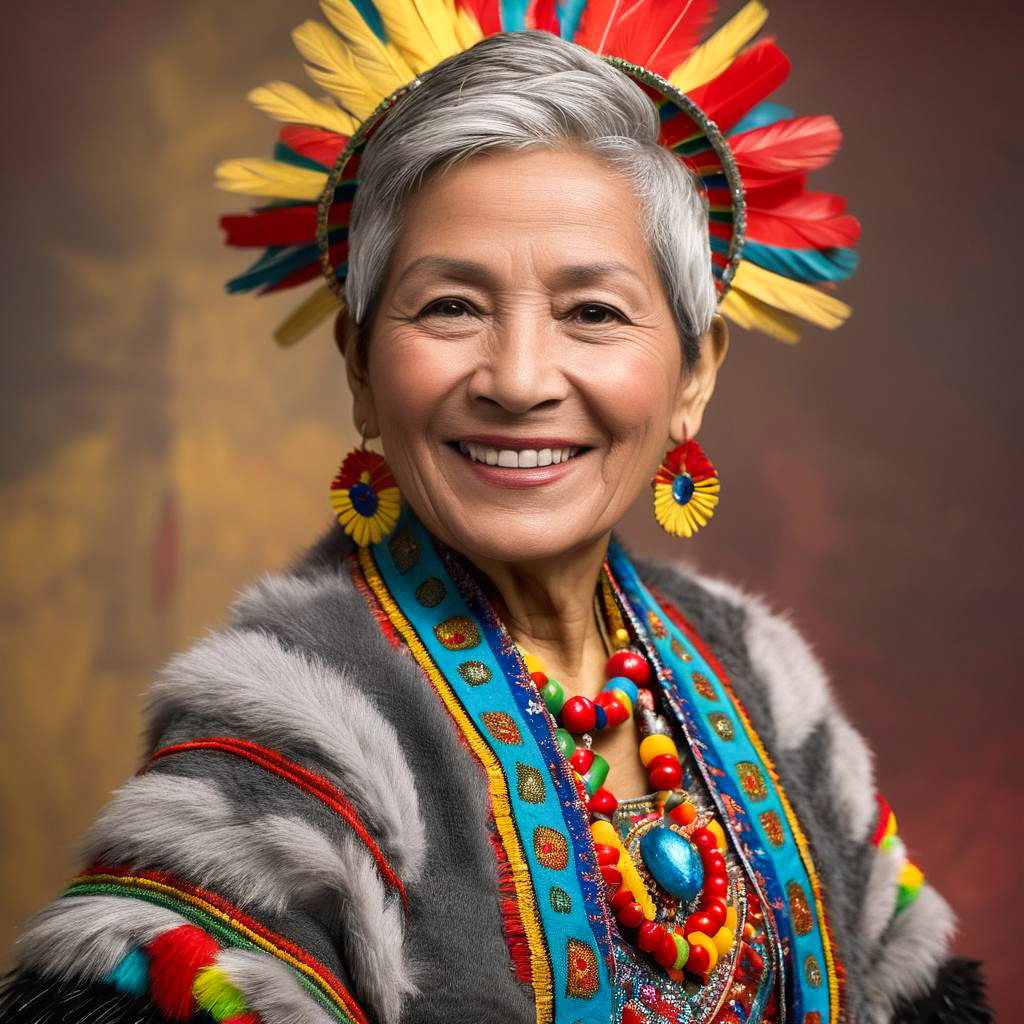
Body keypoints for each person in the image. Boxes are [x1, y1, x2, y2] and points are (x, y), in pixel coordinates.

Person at [0, 4, 990, 1024]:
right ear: (359, 370)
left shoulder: (764, 683)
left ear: (693, 375)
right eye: (450, 307)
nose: (517, 380)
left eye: (593, 312)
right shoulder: (300, 733)